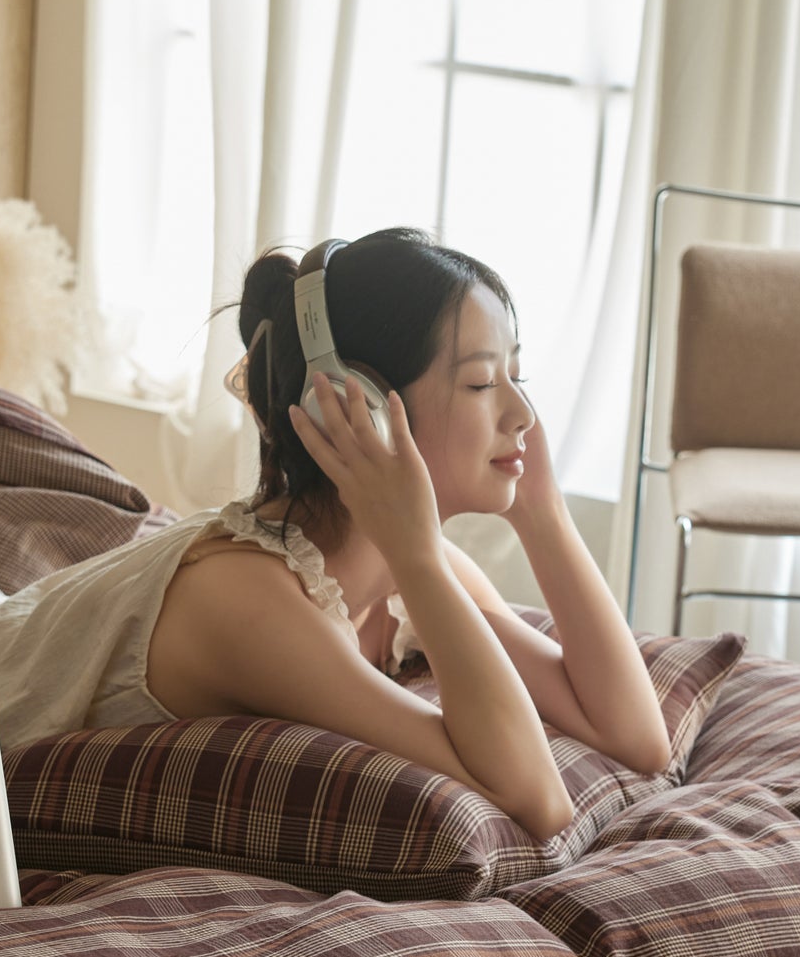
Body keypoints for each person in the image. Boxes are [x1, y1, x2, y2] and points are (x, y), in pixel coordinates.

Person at [143, 226, 671, 841]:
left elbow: (638, 740)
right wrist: (418, 557)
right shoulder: (249, 601)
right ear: (353, 406)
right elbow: (538, 798)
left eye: (515, 376)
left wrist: (543, 512)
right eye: (481, 383)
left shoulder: (415, 573)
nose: (523, 415)